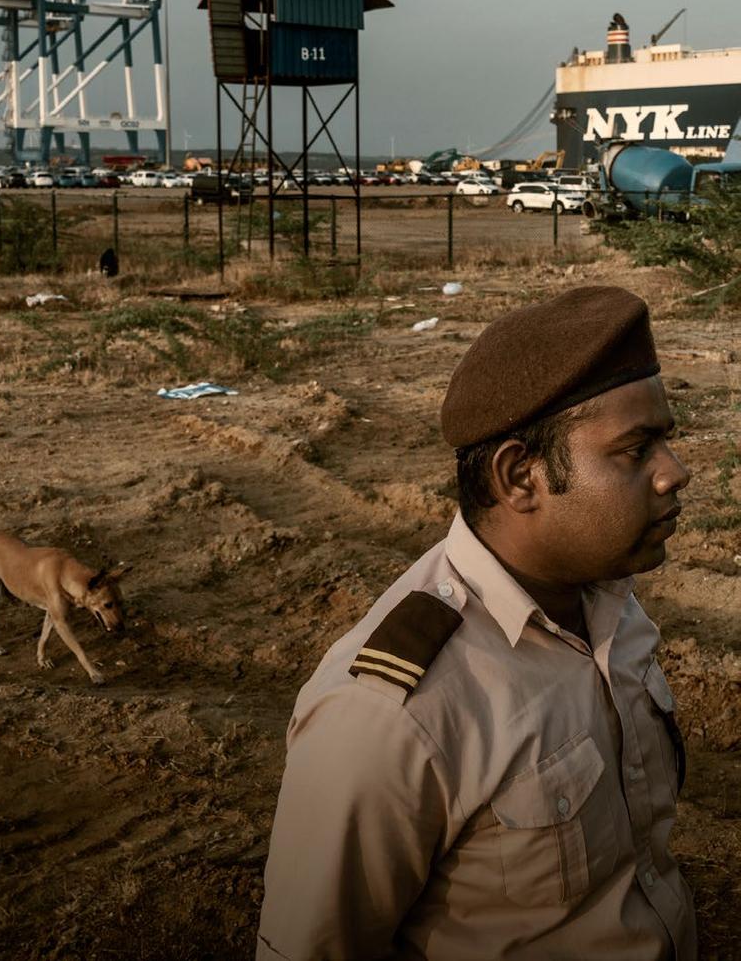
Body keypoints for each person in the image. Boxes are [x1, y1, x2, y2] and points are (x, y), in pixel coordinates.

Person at [257, 286, 696, 961]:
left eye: (665, 440)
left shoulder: (608, 601)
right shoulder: (393, 712)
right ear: (521, 475)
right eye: (636, 450)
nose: (676, 472)